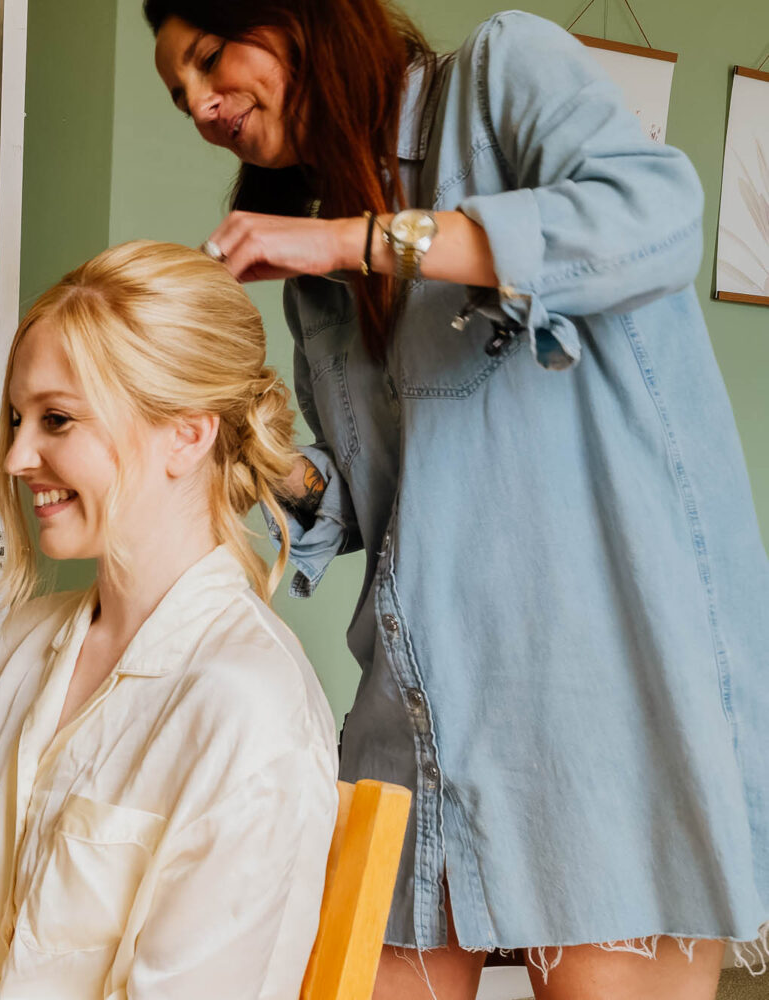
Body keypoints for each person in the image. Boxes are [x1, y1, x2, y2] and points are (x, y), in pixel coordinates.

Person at [149, 2, 769, 997]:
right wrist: (236, 450)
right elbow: (373, 490)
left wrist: (366, 241)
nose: (197, 101)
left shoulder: (500, 74)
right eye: (178, 91)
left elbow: (655, 215)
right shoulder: (318, 278)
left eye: (211, 57)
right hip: (419, 699)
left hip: (598, 699)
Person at [0, 239, 339, 1000]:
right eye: (18, 419)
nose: (15, 457)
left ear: (187, 433)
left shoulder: (246, 705)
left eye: (57, 420)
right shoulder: (25, 643)